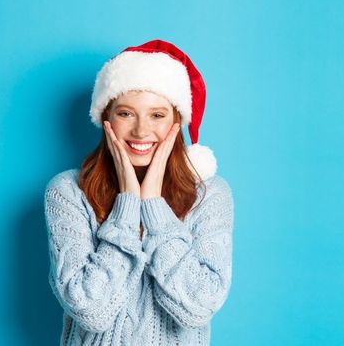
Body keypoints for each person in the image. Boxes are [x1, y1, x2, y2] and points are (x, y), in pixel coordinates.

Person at [44, 39, 234, 345]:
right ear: (106, 117)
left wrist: (154, 207)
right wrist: (128, 206)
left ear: (177, 121)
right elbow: (91, 311)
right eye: (126, 114)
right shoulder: (68, 192)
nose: (141, 131)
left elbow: (197, 309)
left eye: (157, 115)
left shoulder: (209, 195)